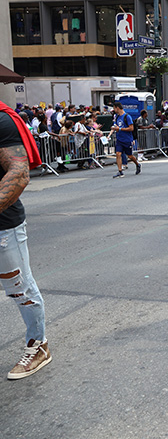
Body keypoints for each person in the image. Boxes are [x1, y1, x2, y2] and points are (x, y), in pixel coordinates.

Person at [0, 100, 50, 380]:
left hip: (3, 227)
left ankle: (38, 345)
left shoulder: (2, 121)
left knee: (20, 289)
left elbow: (19, 174)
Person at [111, 102, 140, 178]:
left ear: (117, 108)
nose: (114, 110)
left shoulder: (127, 116)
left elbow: (131, 128)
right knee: (118, 154)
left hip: (127, 139)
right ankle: (120, 171)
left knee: (130, 156)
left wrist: (120, 129)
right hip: (119, 139)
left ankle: (137, 164)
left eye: (114, 108)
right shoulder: (117, 117)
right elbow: (116, 126)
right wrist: (114, 129)